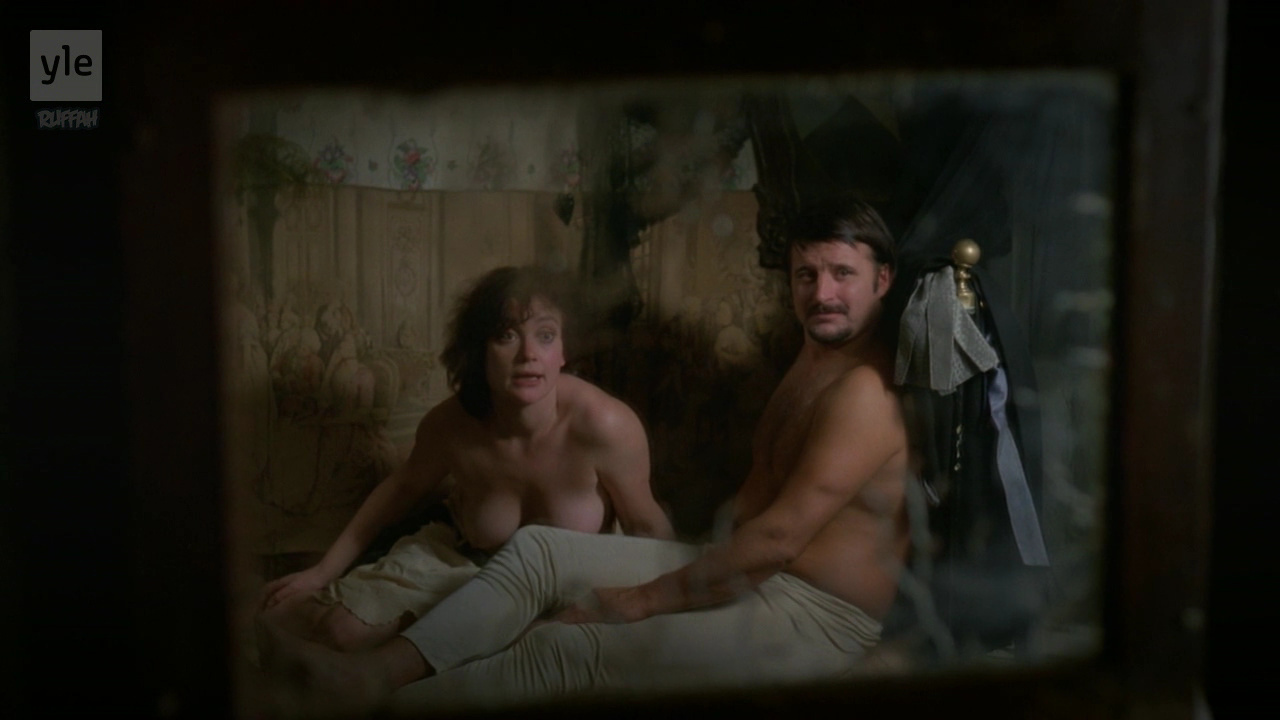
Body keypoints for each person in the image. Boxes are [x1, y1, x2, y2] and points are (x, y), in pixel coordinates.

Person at [263, 195, 912, 714]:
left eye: (843, 274)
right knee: (540, 551)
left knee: (566, 649)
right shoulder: (815, 360)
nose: (821, 293)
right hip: (749, 571)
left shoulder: (863, 391)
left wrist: (645, 598)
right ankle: (373, 676)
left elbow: (779, 539)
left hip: (812, 614)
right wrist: (690, 566)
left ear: (882, 280)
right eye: (807, 274)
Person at [257, 265, 676, 657]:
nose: (529, 354)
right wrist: (323, 571)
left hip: (569, 583)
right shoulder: (451, 425)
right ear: (480, 350)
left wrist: (664, 603)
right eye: (506, 336)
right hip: (463, 563)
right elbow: (400, 489)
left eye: (546, 335)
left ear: (564, 350)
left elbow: (647, 528)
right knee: (337, 631)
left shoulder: (604, 425)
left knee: (522, 645)